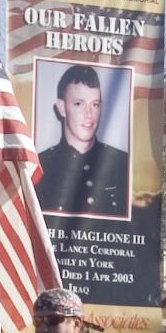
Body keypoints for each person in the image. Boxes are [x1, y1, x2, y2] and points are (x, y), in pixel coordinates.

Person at [37, 64, 129, 218]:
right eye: (79, 104)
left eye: (95, 105)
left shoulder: (123, 164)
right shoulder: (39, 166)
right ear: (62, 107)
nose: (89, 115)